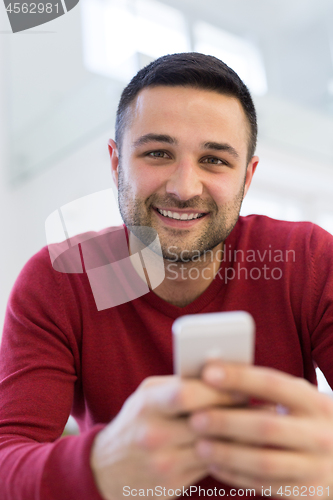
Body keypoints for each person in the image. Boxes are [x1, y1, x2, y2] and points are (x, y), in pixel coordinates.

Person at [1, 52, 333, 500]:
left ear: (247, 178)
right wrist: (100, 465)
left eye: (214, 160)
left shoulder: (307, 259)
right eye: (158, 153)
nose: (184, 187)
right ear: (117, 164)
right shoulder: (61, 280)